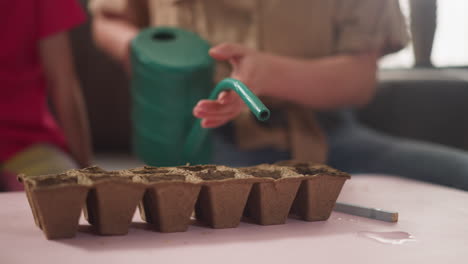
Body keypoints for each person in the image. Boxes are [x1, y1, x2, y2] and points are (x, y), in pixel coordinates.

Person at [90, 0, 468, 191]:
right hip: (201, 144)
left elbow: (360, 78)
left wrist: (270, 73)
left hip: (332, 138)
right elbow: (109, 18)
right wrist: (151, 58)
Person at [0, 0, 92, 191]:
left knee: (68, 196)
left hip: (25, 144)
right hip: (26, 145)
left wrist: (88, 174)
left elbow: (62, 80)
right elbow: (62, 80)